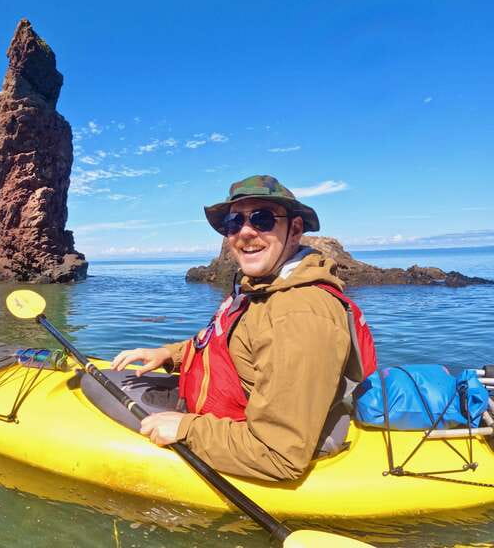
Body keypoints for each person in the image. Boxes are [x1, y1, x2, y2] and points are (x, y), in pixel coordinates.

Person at [112, 175, 376, 481]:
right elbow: (226, 344)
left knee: (97, 390)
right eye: (234, 222)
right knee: (103, 381)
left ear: (294, 230)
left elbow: (279, 455)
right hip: (219, 410)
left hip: (250, 441)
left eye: (263, 219)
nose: (246, 232)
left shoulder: (299, 315)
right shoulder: (260, 287)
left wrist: (186, 429)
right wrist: (169, 354)